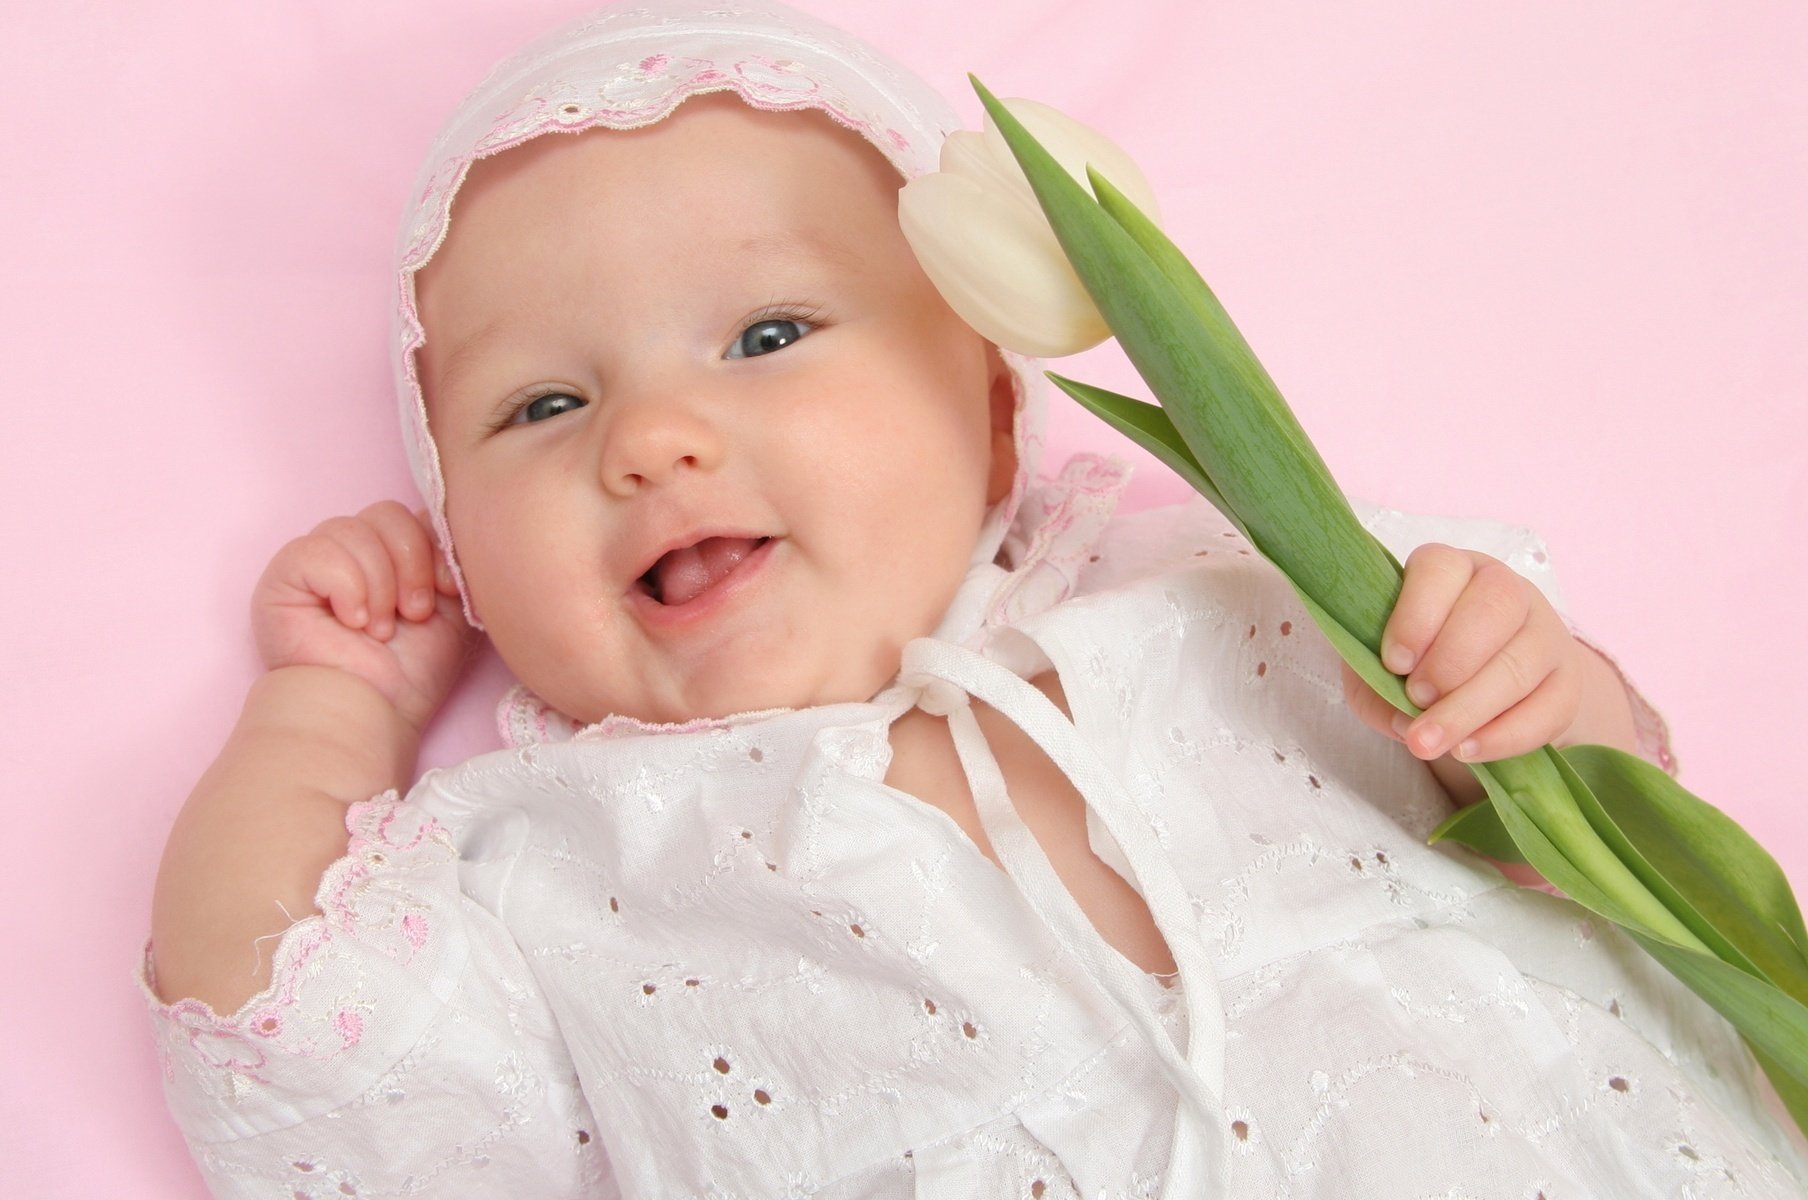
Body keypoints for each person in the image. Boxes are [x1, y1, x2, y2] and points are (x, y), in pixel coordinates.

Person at [136, 2, 1808, 1195]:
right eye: (540, 409)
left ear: (996, 401)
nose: (652, 439)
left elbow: (1599, 823)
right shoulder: (560, 857)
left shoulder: (1228, 591)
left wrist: (1534, 691)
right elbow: (302, 1070)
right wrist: (331, 708)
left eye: (770, 335)